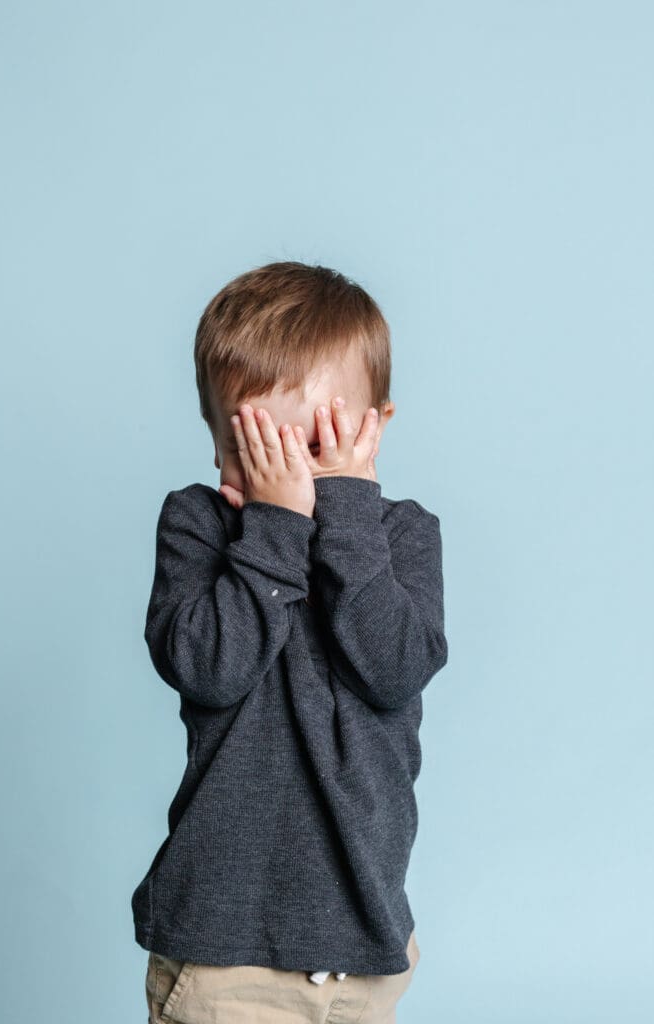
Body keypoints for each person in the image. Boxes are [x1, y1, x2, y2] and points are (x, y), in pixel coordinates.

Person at [132, 260, 449, 1023]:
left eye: (312, 451)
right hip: (226, 946)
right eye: (260, 451)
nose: (292, 484)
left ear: (375, 427)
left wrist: (345, 515)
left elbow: (395, 668)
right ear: (216, 443)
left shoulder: (400, 536)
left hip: (363, 939)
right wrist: (273, 526)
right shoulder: (200, 526)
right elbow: (208, 668)